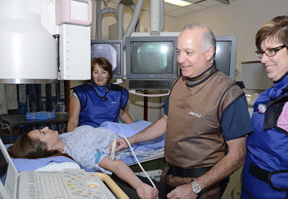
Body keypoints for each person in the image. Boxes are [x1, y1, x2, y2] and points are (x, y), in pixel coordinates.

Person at [113, 23, 253, 199]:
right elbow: (165, 121)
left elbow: (238, 156)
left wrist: (195, 187)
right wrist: (130, 141)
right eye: (178, 52)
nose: (180, 59)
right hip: (170, 175)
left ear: (209, 53)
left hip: (203, 185)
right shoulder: (178, 84)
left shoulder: (229, 94)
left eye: (189, 52)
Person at [7, 126, 158, 199]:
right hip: (124, 136)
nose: (46, 128)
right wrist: (139, 185)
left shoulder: (64, 139)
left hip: (111, 126)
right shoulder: (81, 153)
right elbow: (116, 165)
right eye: (43, 132)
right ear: (48, 148)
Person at [241, 15, 288, 199]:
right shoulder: (269, 94)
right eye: (261, 52)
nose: (263, 59)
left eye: (272, 51)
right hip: (250, 189)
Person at [67, 57, 133, 132]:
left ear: (109, 74)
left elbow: (122, 113)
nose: (100, 76)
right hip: (88, 135)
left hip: (111, 134)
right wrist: (71, 140)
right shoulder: (80, 93)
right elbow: (73, 121)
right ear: (91, 74)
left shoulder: (119, 92)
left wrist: (136, 129)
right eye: (96, 72)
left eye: (104, 72)